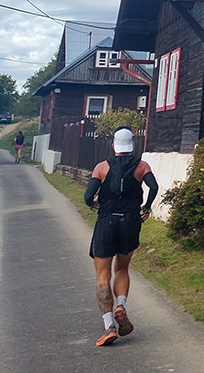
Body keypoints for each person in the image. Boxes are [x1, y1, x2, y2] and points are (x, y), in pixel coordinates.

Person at [84, 127, 157, 347]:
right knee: (122, 269)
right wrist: (147, 207)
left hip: (106, 221)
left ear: (113, 145)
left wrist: (92, 203)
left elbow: (88, 196)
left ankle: (109, 327)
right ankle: (121, 306)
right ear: (132, 145)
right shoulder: (142, 166)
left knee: (102, 276)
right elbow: (153, 186)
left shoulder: (102, 167)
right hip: (131, 221)